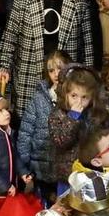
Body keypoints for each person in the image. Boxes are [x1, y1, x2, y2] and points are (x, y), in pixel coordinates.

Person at [0, 0, 96, 128]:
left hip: (66, 79)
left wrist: (89, 81)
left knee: (63, 128)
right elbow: (10, 37)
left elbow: (87, 45)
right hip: (28, 76)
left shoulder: (80, 1)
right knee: (28, 129)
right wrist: (2, 67)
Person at [41, 66, 109, 199]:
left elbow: (106, 135)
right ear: (65, 94)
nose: (79, 102)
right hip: (67, 174)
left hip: (91, 170)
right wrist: (72, 118)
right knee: (68, 205)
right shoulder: (57, 115)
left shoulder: (94, 114)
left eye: (84, 97)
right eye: (74, 96)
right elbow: (60, 141)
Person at [14, 49, 74, 193]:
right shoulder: (39, 98)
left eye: (60, 68)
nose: (55, 74)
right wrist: (24, 161)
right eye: (51, 70)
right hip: (41, 165)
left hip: (67, 165)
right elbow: (26, 131)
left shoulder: (74, 97)